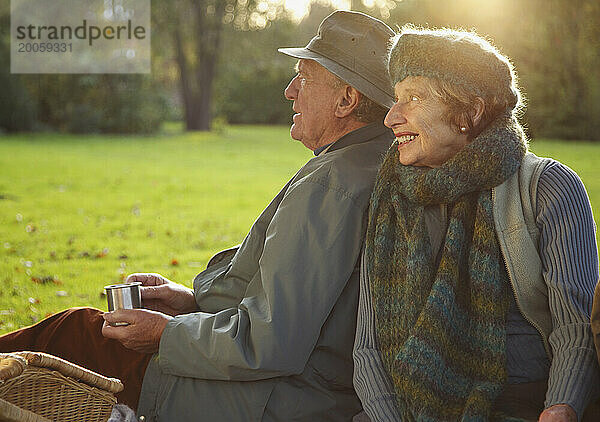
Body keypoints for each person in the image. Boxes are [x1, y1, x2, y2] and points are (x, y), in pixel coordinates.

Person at [0, 11, 395, 422]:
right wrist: (190, 301)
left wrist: (164, 334)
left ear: (347, 99)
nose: (289, 90)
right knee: (77, 330)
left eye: (305, 77)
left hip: (265, 400)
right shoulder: (368, 162)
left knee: (76, 334)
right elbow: (291, 307)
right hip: (294, 388)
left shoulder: (332, 185)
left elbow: (268, 341)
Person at [352, 27, 600, 422]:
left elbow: (575, 325)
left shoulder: (547, 188)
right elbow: (368, 347)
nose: (391, 118)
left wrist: (562, 406)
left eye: (413, 98)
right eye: (395, 100)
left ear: (471, 112)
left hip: (525, 404)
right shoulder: (390, 198)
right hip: (403, 407)